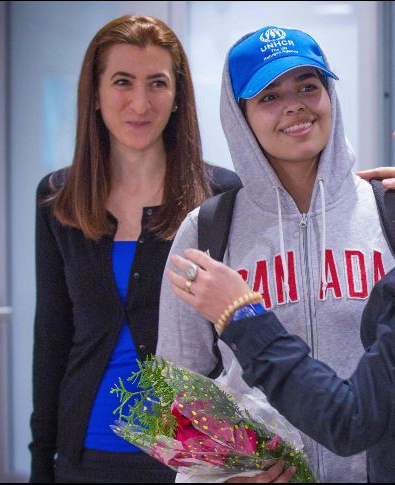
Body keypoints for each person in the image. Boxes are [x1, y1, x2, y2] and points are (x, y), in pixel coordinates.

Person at [158, 28, 395, 483]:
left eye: (309, 86)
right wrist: (225, 477)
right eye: (269, 96)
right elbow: (177, 391)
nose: (295, 105)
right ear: (239, 115)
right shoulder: (207, 229)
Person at [29, 15, 240, 483]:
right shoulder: (58, 200)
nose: (140, 103)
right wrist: (42, 461)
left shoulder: (221, 197)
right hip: (86, 450)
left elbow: (240, 339)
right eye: (122, 81)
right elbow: (51, 340)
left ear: (178, 95)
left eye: (157, 83)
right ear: (96, 94)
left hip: (191, 455)